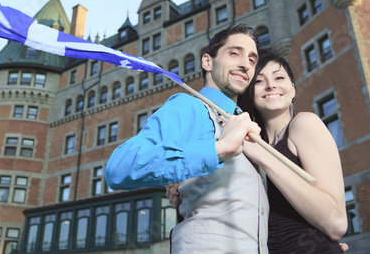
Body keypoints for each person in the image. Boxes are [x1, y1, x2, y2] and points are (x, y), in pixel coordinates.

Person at [105, 24, 269, 253]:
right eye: (234, 53)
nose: (245, 64)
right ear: (207, 62)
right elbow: (118, 169)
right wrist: (218, 149)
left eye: (252, 59)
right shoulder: (189, 106)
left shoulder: (250, 127)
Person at [238, 49, 347, 253]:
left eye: (279, 77)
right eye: (259, 81)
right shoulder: (249, 146)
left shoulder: (303, 124)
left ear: (293, 89)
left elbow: (336, 223)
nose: (271, 85)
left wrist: (264, 158)